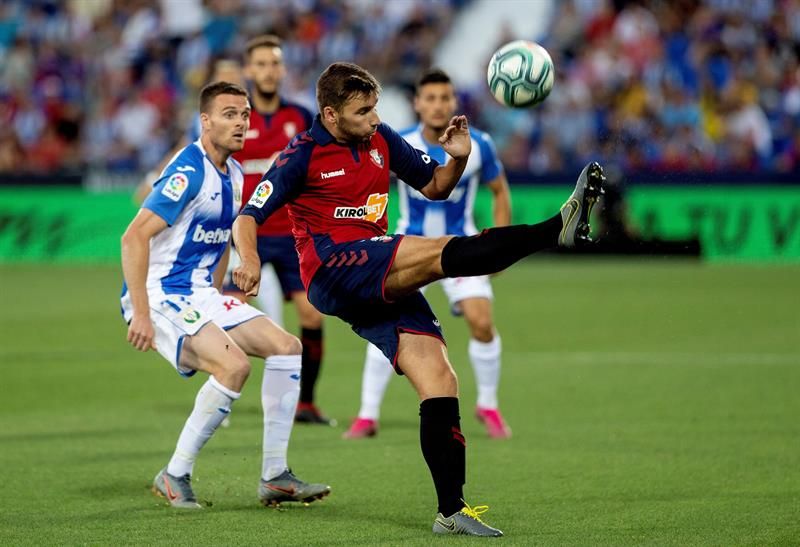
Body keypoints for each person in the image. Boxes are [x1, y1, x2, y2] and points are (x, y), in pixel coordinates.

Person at [232, 62, 604, 536]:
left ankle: (451, 511)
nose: (373, 118)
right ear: (329, 114)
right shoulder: (300, 155)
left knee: (439, 376)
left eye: (375, 108)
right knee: (437, 252)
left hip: (373, 272)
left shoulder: (380, 139)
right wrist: (247, 259)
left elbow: (436, 188)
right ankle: (557, 230)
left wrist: (458, 158)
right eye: (362, 110)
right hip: (332, 269)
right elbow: (249, 216)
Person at [120, 81, 330, 510]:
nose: (241, 122)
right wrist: (140, 312)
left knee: (287, 346)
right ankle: (174, 474)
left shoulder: (234, 173)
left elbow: (219, 242)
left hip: (201, 294)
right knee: (233, 366)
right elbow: (133, 237)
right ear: (206, 121)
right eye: (230, 114)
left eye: (245, 114)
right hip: (161, 294)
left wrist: (219, 299)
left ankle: (275, 475)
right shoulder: (188, 170)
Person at [344, 68, 513, 441]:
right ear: (417, 104)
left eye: (445, 98)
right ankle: (367, 413)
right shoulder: (395, 142)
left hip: (459, 246)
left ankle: (488, 405)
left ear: (454, 103)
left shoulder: (479, 144)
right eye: (431, 98)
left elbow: (500, 191)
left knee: (481, 322)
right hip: (409, 247)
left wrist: (498, 244)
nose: (438, 106)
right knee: (387, 326)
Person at [236, 35, 332, 425]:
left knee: (312, 316)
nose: (268, 71)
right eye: (260, 63)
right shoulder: (237, 116)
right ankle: (227, 393)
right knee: (233, 316)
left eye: (274, 63)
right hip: (248, 234)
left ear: (283, 69)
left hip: (293, 235)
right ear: (249, 70)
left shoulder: (300, 115)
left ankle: (305, 404)